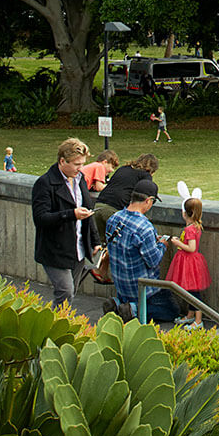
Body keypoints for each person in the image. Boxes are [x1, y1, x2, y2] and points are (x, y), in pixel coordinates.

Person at [31, 138, 98, 308]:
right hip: (55, 250)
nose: (80, 168)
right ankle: (53, 328)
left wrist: (95, 240)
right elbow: (40, 218)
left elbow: (88, 210)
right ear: (62, 161)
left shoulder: (80, 178)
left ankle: (61, 326)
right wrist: (71, 214)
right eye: (76, 164)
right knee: (65, 291)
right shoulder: (44, 183)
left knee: (70, 293)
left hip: (78, 249)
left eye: (82, 163)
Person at [105, 179, 179, 322]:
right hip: (142, 289)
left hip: (121, 286)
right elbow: (154, 260)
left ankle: (117, 303)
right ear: (148, 200)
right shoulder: (144, 227)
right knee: (172, 311)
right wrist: (162, 245)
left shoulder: (114, 218)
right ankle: (133, 309)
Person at [167, 196, 211, 330]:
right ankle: (190, 314)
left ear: (185, 213)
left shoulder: (190, 229)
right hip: (188, 262)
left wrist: (177, 243)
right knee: (189, 291)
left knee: (193, 292)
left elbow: (191, 248)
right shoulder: (195, 226)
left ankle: (198, 320)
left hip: (189, 262)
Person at [94, 153, 159, 241]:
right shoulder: (145, 175)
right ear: (152, 170)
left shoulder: (123, 168)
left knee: (99, 245)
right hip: (115, 212)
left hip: (98, 206)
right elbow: (143, 196)